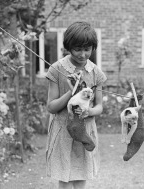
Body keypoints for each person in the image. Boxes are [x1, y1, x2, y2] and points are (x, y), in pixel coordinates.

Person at [46, 21, 107, 189]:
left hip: (85, 132)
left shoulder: (96, 73)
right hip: (63, 131)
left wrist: (90, 111)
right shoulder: (57, 69)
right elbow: (51, 107)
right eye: (78, 49)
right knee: (64, 179)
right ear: (68, 47)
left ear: (93, 48)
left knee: (80, 178)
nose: (82, 54)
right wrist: (70, 92)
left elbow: (99, 106)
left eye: (87, 49)